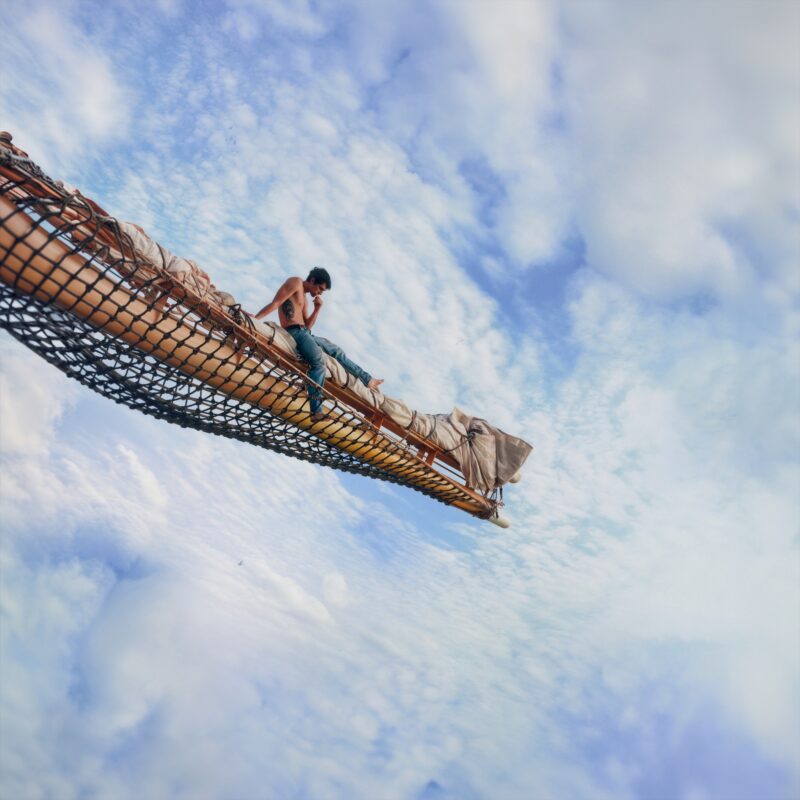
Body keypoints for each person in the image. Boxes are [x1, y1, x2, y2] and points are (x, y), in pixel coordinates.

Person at [254, 267, 383, 421]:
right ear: (313, 280)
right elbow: (276, 303)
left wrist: (317, 309)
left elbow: (307, 326)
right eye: (320, 288)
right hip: (295, 332)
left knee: (336, 351)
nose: (320, 293)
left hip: (305, 333)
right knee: (318, 363)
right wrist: (255, 319)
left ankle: (367, 379)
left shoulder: (305, 298)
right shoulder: (295, 282)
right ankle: (316, 411)